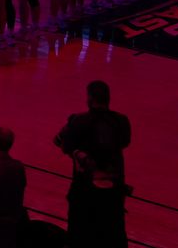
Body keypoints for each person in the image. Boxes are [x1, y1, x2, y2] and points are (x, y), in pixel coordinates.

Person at [55, 80, 132, 248]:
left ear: (89, 99)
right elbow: (125, 142)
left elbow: (61, 143)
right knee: (113, 235)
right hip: (113, 193)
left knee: (80, 236)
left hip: (84, 192)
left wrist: (76, 152)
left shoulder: (78, 121)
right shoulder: (121, 121)